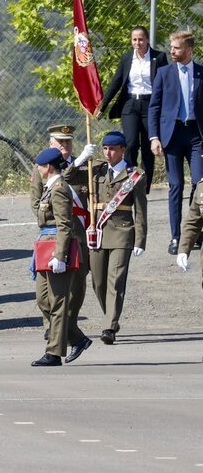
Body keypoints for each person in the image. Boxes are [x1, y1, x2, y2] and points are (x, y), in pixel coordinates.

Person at [29, 124, 91, 341]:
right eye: (60, 142)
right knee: (47, 294)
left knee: (77, 285)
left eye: (68, 142)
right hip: (51, 236)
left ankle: (67, 326)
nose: (65, 145)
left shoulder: (85, 165)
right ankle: (57, 328)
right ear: (51, 144)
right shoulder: (43, 168)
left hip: (79, 232)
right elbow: (37, 203)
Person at [87, 131, 148, 345]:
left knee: (115, 282)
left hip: (122, 233)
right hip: (98, 234)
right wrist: (81, 160)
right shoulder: (94, 172)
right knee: (98, 283)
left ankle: (109, 327)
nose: (108, 153)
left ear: (122, 150)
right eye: (105, 148)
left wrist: (140, 239)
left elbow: (140, 210)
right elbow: (68, 178)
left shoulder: (135, 175)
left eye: (112, 149)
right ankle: (110, 317)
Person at [149, 30, 203, 255]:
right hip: (172, 135)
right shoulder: (164, 73)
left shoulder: (201, 72)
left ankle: (195, 230)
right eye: (171, 46)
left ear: (189, 49)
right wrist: (154, 137)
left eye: (176, 47)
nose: (171, 50)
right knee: (176, 185)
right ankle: (175, 236)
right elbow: (154, 107)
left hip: (196, 135)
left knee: (199, 184)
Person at [98, 26, 168, 192]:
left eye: (141, 39)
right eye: (134, 39)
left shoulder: (159, 57)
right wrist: (103, 106)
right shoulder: (127, 58)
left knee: (147, 145)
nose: (138, 43)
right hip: (130, 103)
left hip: (151, 104)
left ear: (147, 40)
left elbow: (166, 83)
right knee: (130, 143)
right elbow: (116, 82)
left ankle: (144, 186)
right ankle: (128, 181)